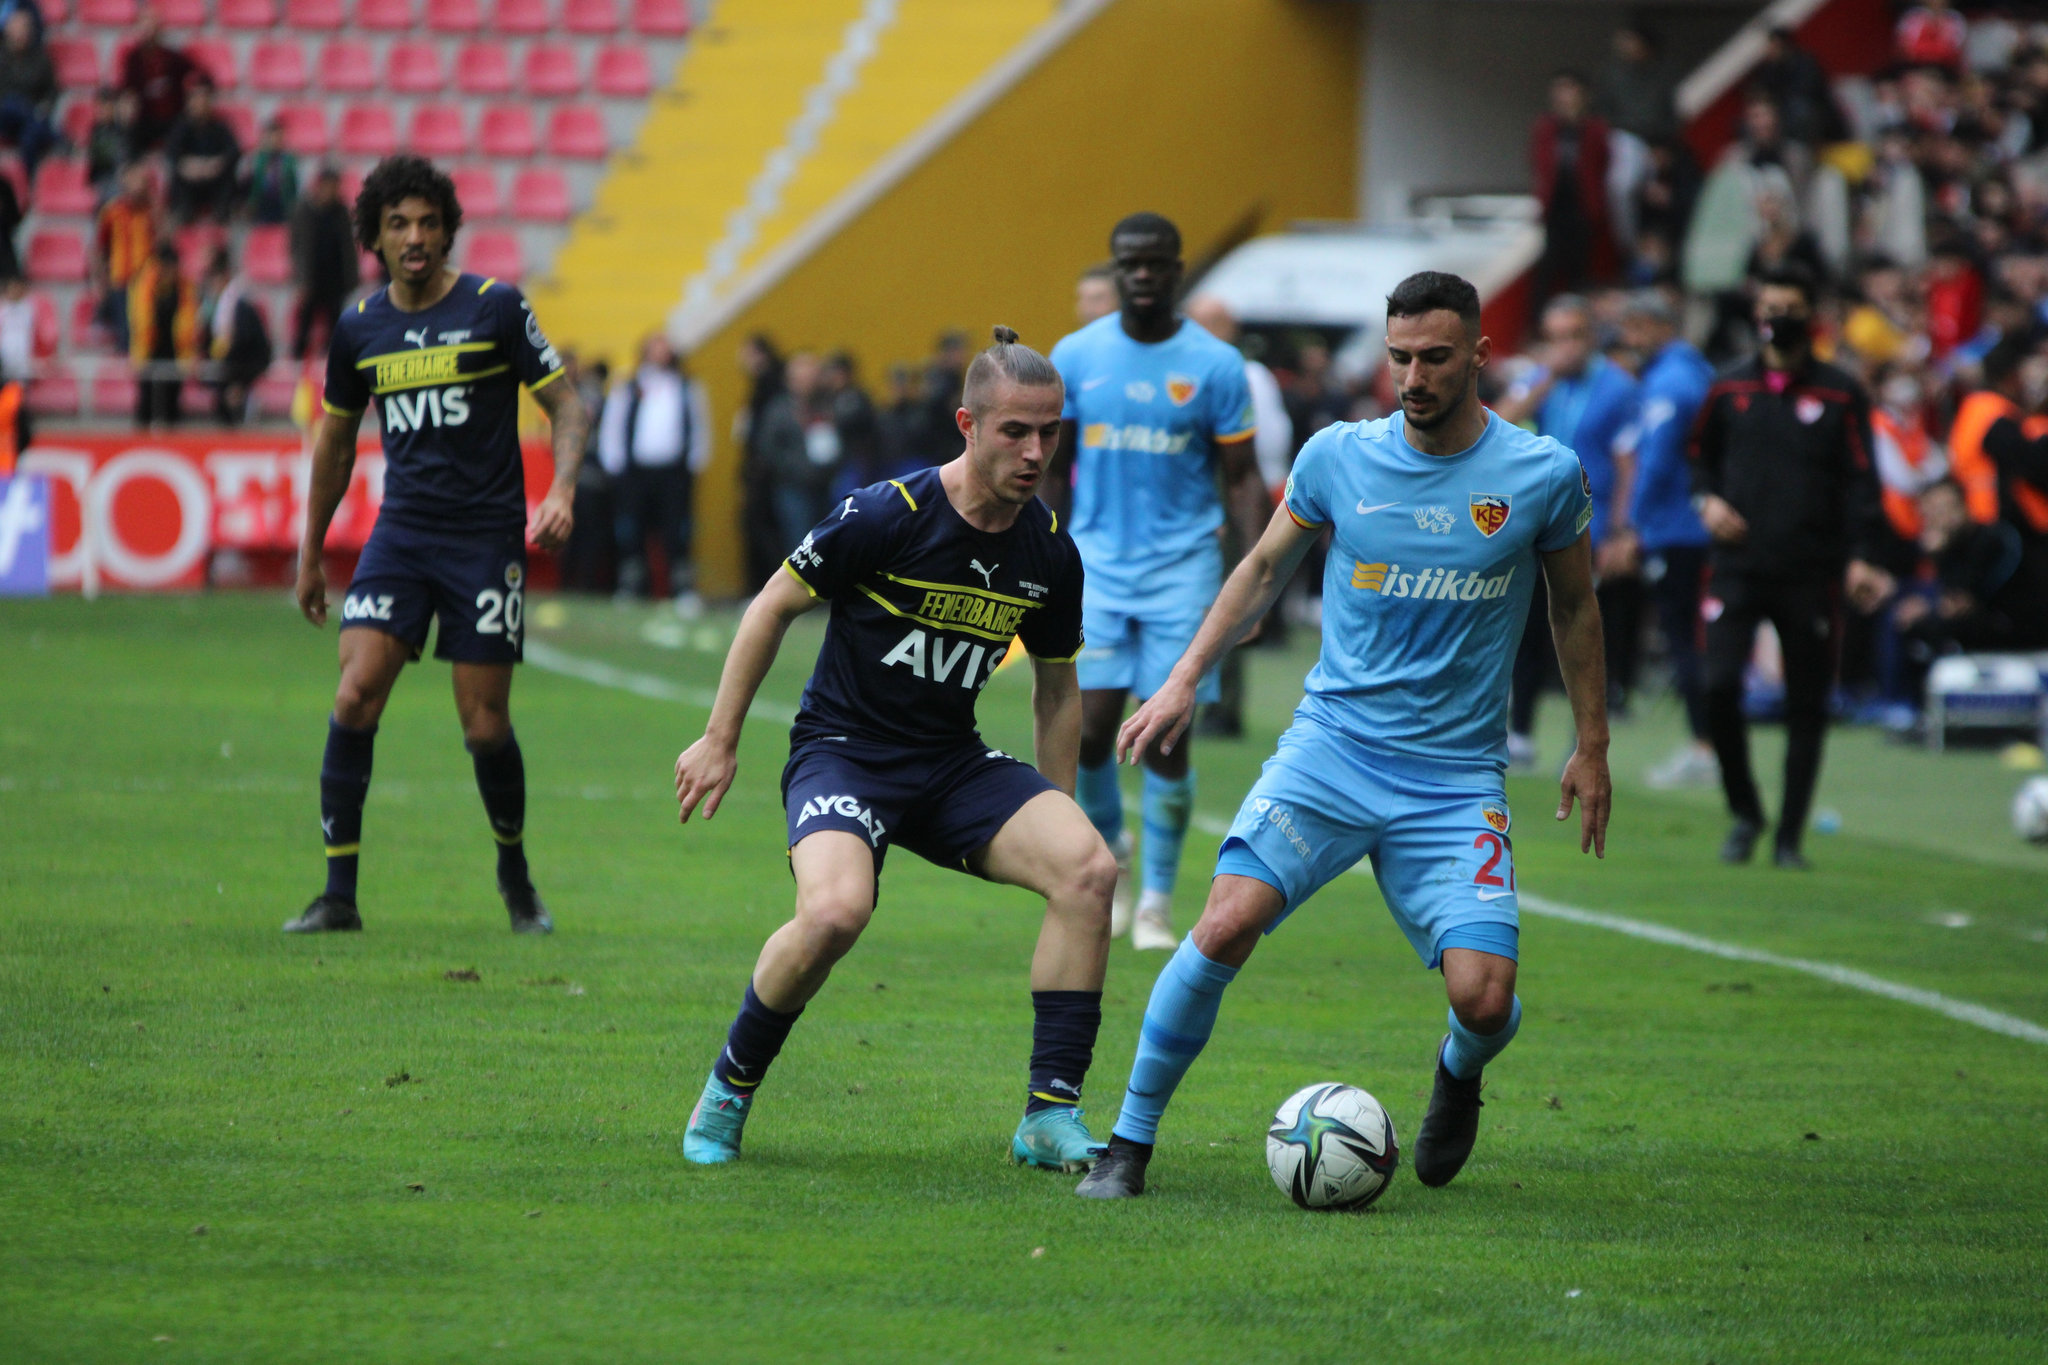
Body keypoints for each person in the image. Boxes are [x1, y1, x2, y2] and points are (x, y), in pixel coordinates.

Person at [1075, 271, 1610, 1201]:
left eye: (1436, 358)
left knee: (1484, 999)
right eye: (1399, 356)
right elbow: (1261, 567)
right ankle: (1129, 1141)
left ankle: (1459, 1069)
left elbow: (1574, 607)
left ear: (1480, 355)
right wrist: (1183, 679)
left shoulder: (1541, 475)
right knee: (1223, 922)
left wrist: (1591, 743)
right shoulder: (1337, 458)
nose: (1413, 376)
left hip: (1453, 778)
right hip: (1332, 751)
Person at [672, 327, 1115, 1173]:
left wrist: (1055, 806)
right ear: (967, 424)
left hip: (950, 762)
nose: (1034, 451)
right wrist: (720, 738)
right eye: (1014, 431)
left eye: (1049, 432)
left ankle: (1049, 1114)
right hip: (846, 754)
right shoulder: (887, 513)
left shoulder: (1049, 550)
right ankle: (728, 1087)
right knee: (836, 912)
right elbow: (770, 605)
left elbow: (1057, 686)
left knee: (1088, 869)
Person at [284, 154, 589, 935]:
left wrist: (560, 489)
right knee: (354, 693)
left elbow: (567, 407)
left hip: (486, 542)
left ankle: (515, 874)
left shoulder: (495, 308)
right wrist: (311, 551)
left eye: (427, 222)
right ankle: (338, 895)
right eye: (398, 224)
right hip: (403, 535)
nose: (414, 236)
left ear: (448, 229)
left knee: (483, 724)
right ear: (375, 238)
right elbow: (336, 445)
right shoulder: (359, 327)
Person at [1047, 212, 1262, 951]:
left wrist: (1252, 580)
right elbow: (1052, 472)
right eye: (1129, 263)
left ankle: (1157, 905)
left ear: (1177, 271)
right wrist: (1048, 562)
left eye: (1156, 263)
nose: (1142, 274)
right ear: (1115, 269)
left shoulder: (1215, 366)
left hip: (1184, 570)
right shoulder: (1075, 357)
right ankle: (1114, 862)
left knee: (1167, 735)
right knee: (1093, 730)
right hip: (1097, 568)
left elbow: (1242, 480)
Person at [1688, 265, 1891, 870]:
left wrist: (1860, 557)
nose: (1775, 317)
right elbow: (1699, 459)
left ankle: (1789, 838)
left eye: (1787, 306)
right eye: (1767, 305)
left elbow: (1862, 481)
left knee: (1808, 703)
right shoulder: (1727, 388)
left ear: (1810, 315)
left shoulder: (1840, 391)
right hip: (1737, 564)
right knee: (1718, 686)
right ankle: (1746, 810)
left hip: (1811, 568)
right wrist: (1708, 502)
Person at [1496, 294, 1638, 764]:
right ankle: (1520, 733)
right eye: (1556, 338)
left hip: (1592, 529)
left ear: (1591, 338)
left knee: (1583, 634)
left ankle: (1584, 740)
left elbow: (1627, 462)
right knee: (1527, 626)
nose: (1566, 347)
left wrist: (1623, 529)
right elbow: (1497, 423)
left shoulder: (1618, 387)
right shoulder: (1541, 380)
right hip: (1538, 523)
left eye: (1574, 336)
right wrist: (1547, 377)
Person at [1613, 290, 1718, 789]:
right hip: (1691, 527)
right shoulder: (1693, 372)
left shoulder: (1670, 382)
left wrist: (1633, 523)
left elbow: (1655, 459)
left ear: (1659, 327)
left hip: (1679, 530)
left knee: (1687, 642)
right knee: (1691, 640)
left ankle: (1706, 747)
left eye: (1636, 328)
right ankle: (1709, 744)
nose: (1630, 340)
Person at [1183, 292, 1292, 740]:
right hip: (1192, 493)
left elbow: (1269, 441)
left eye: (1216, 322)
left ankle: (1223, 706)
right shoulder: (1191, 371)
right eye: (1201, 322)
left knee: (1230, 590)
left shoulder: (1248, 375)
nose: (1209, 332)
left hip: (1232, 488)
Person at [599, 332, 709, 606]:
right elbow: (613, 424)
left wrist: (695, 462)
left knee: (678, 531)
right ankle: (632, 586)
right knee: (631, 530)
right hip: (636, 473)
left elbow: (699, 426)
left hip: (673, 473)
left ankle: (682, 588)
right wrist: (615, 463)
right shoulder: (629, 386)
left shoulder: (686, 386)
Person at [1530, 70, 1616, 306]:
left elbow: (1602, 162)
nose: (1563, 96)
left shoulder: (1595, 128)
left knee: (1580, 267)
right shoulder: (1546, 127)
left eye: (1569, 89)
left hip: (1583, 204)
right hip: (1555, 204)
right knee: (1548, 265)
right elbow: (1540, 163)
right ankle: (1539, 321)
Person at [752, 350, 841, 557]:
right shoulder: (779, 409)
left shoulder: (828, 405)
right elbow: (767, 447)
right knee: (800, 544)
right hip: (792, 488)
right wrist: (795, 469)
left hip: (827, 484)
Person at [288, 167, 358, 359]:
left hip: (335, 279)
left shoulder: (341, 212)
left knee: (334, 323)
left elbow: (348, 247)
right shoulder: (304, 210)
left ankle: (332, 359)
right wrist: (301, 279)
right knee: (305, 322)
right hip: (311, 279)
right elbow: (296, 247)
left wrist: (351, 277)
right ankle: (297, 357)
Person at [735, 332, 786, 592]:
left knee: (762, 529)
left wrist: (756, 465)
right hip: (764, 469)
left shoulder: (770, 385)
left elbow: (763, 433)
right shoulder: (766, 383)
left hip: (764, 471)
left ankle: (765, 587)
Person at [128, 240, 196, 429]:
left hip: (174, 354)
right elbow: (139, 324)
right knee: (146, 402)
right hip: (150, 353)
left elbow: (188, 324)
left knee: (172, 403)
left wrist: (188, 355)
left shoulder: (184, 289)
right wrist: (138, 355)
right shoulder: (144, 289)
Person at [200, 248, 271, 425]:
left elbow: (249, 345)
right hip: (231, 375)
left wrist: (240, 383)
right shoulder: (221, 306)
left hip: (242, 375)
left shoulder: (239, 305)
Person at [93, 162, 157, 351]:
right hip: (121, 281)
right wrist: (100, 282)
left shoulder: (152, 212)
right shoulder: (112, 212)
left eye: (143, 181)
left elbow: (162, 244)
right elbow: (99, 249)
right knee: (126, 337)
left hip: (148, 283)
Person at [118, 8, 197, 152]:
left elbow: (197, 73)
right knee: (127, 129)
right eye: (145, 28)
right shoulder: (133, 59)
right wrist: (127, 105)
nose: (149, 33)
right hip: (144, 117)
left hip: (172, 117)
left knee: (182, 133)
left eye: (152, 28)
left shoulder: (172, 57)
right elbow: (126, 90)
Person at [163, 81, 239, 224]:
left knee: (228, 179)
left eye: (204, 100)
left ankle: (222, 217)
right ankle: (184, 215)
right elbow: (172, 152)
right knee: (176, 177)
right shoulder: (181, 127)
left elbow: (233, 150)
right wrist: (187, 165)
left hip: (214, 177)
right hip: (190, 179)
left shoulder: (220, 126)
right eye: (196, 101)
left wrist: (217, 163)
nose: (200, 105)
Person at [0, 9, 57, 176]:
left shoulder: (41, 59)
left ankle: (29, 180)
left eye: (25, 27)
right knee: (13, 104)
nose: (21, 32)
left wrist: (44, 108)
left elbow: (51, 92)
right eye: (18, 27)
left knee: (30, 135)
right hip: (5, 114)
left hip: (29, 117)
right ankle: (55, 137)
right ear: (7, 29)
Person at [239, 117, 298, 225]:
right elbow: (250, 187)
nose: (275, 141)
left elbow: (295, 187)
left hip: (283, 204)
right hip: (262, 205)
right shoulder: (256, 160)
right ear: (265, 138)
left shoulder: (291, 160)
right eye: (271, 137)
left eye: (278, 137)